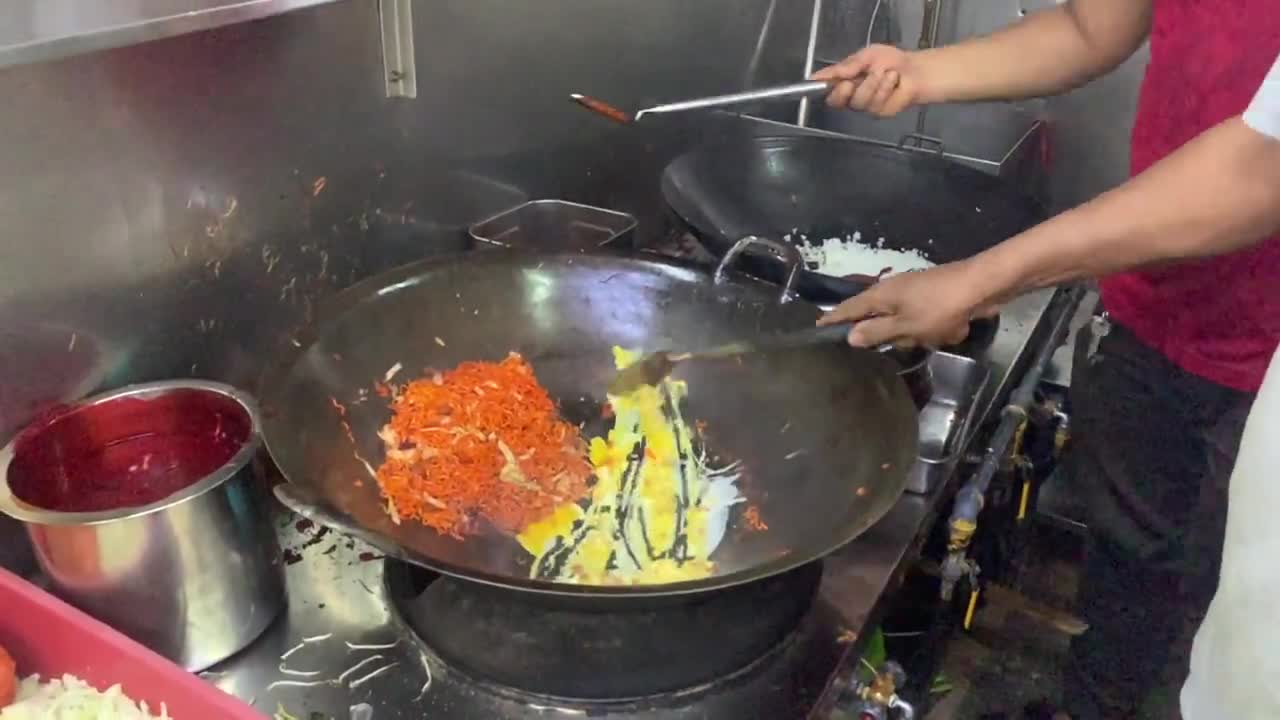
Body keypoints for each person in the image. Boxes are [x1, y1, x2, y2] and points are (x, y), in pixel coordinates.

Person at [813, 3, 1280, 718]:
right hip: (1155, 295)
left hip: (1270, 373)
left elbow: (1258, 173)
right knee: (1128, 567)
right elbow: (1093, 26)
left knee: (1230, 638)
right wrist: (918, 72)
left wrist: (978, 280)